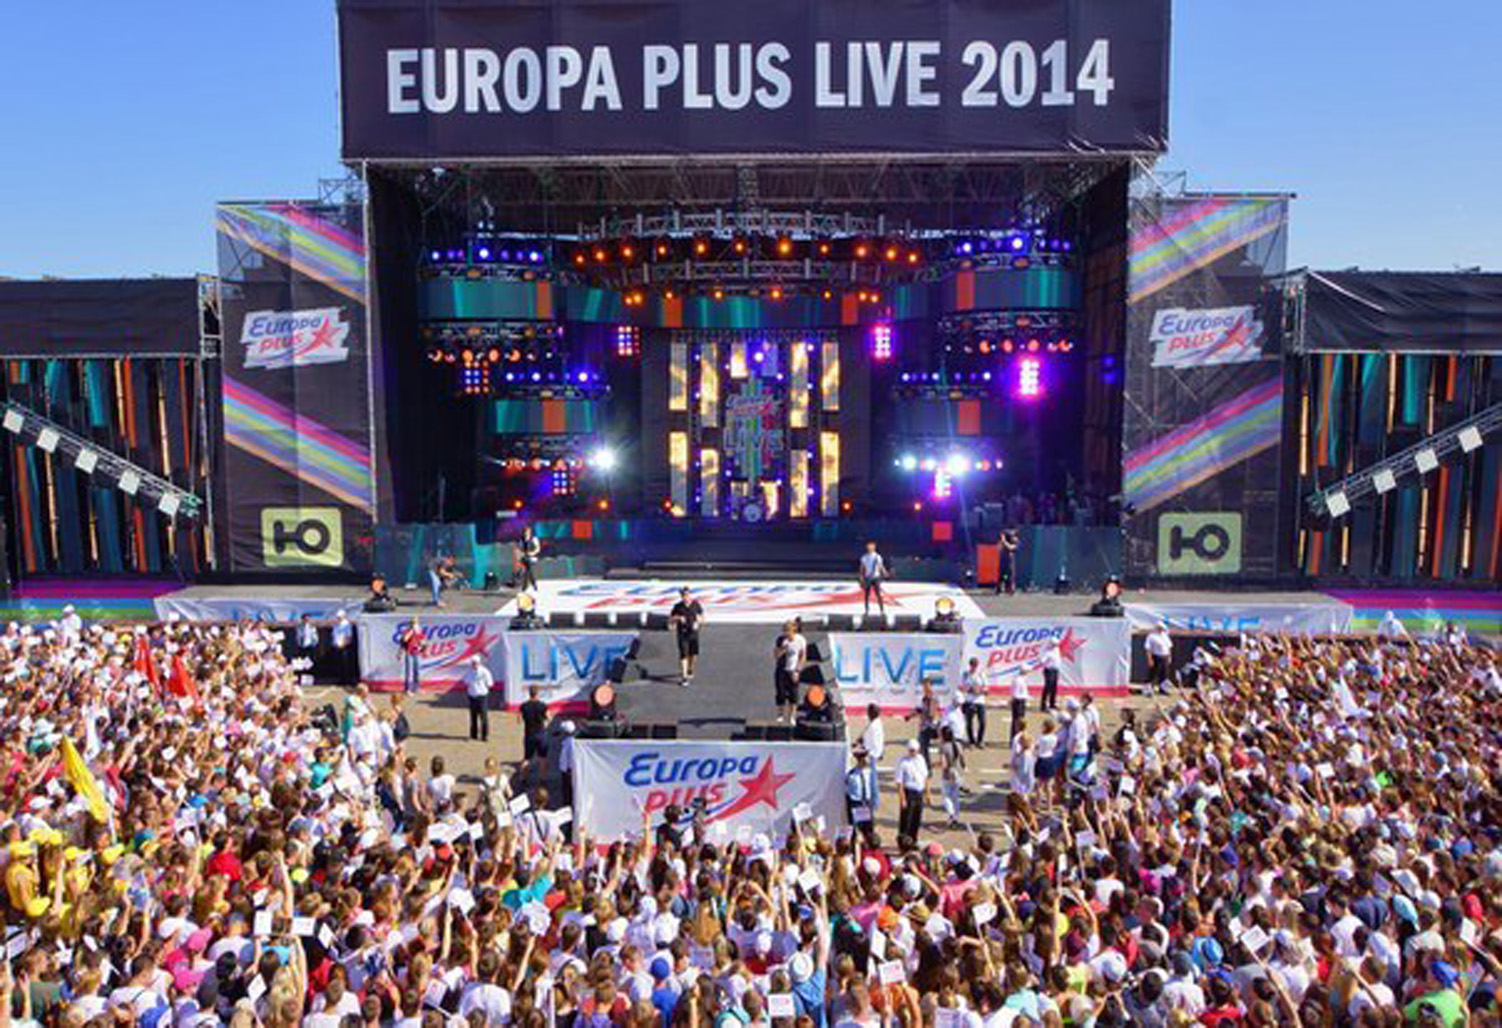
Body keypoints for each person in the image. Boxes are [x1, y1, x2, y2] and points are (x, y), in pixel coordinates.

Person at [844, 744, 879, 847]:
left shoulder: (870, 772)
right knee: (856, 830)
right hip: (856, 803)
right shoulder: (852, 774)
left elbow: (874, 788)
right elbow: (848, 791)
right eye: (861, 758)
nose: (864, 760)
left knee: (868, 829)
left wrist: (875, 803)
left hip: (867, 803)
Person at [669, 585, 704, 686]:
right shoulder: (678, 606)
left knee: (693, 655)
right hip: (682, 634)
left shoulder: (696, 605)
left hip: (693, 634)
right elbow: (671, 619)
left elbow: (702, 618)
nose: (686, 597)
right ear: (681, 596)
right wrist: (678, 618)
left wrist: (698, 622)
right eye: (684, 595)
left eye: (687, 595)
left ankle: (690, 669)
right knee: (683, 654)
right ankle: (684, 677)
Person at [895, 738, 928, 840]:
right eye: (911, 750)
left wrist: (927, 793)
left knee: (916, 818)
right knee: (906, 819)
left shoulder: (921, 759)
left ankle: (913, 839)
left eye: (915, 750)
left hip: (919, 792)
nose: (913, 753)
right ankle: (903, 840)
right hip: (909, 792)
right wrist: (902, 798)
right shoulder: (902, 762)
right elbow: (899, 782)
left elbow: (925, 777)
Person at [774, 618, 806, 722]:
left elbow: (802, 656)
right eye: (784, 631)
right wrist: (783, 649)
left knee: (794, 695)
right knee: (781, 693)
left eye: (788, 631)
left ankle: (792, 716)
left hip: (793, 670)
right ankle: (780, 715)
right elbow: (775, 655)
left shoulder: (800, 640)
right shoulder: (781, 640)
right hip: (781, 670)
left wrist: (798, 670)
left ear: (793, 630)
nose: (786, 633)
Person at [518, 684, 548, 782]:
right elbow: (548, 717)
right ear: (537, 693)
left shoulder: (523, 706)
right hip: (540, 733)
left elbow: (518, 720)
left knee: (527, 758)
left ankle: (523, 778)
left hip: (529, 734)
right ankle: (542, 779)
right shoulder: (542, 705)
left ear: (529, 693)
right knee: (542, 758)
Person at [937, 724, 965, 829]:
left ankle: (951, 814)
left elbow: (943, 764)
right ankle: (956, 817)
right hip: (957, 773)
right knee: (955, 797)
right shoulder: (957, 745)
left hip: (948, 774)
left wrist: (933, 765)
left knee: (947, 796)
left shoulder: (943, 747)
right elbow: (962, 760)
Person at [464, 654, 494, 742]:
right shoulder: (469, 672)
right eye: (473, 663)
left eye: (475, 663)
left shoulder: (485, 672)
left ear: (479, 663)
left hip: (482, 696)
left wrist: (483, 687)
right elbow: (465, 682)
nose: (474, 665)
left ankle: (484, 736)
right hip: (472, 696)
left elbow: (490, 683)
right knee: (473, 716)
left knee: (483, 717)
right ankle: (473, 735)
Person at [959, 656, 987, 748]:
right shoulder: (965, 675)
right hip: (969, 700)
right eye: (973, 665)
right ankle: (971, 740)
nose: (974, 667)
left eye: (976, 665)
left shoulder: (981, 674)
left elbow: (986, 688)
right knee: (969, 722)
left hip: (980, 701)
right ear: (970, 665)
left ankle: (980, 740)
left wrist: (980, 691)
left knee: (982, 722)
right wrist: (969, 689)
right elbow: (961, 687)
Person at [857, 541, 888, 617]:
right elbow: (862, 568)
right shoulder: (864, 557)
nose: (869, 548)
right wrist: (861, 577)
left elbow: (881, 566)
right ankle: (867, 610)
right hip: (868, 577)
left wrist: (884, 572)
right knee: (867, 595)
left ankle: (882, 610)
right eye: (868, 546)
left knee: (878, 594)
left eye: (871, 546)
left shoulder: (877, 556)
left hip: (876, 577)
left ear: (874, 547)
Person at [397, 615, 425, 694]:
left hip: (416, 653)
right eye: (413, 623)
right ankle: (407, 689)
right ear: (410, 624)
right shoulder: (407, 631)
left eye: (415, 623)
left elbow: (422, 641)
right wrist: (411, 631)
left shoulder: (419, 631)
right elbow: (404, 640)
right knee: (408, 671)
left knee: (417, 671)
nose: (414, 624)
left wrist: (422, 645)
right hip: (408, 652)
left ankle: (416, 687)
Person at [1145, 621, 1173, 694]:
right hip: (1156, 656)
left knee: (1164, 674)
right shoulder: (1151, 636)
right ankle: (1149, 690)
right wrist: (1150, 659)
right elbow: (1148, 649)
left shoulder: (1165, 636)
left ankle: (1163, 689)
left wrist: (1170, 657)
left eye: (1162, 628)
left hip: (1165, 656)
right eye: (1159, 628)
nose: (1161, 629)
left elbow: (1169, 647)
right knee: (1153, 674)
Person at [330, 609, 356, 685]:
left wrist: (343, 644)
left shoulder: (347, 625)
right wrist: (335, 644)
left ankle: (348, 680)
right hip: (337, 647)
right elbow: (334, 636)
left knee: (346, 664)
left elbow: (349, 637)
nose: (338, 618)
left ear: (343, 616)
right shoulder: (336, 625)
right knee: (339, 664)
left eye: (340, 617)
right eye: (337, 617)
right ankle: (341, 679)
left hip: (345, 647)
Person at [1039, 635, 1061, 711]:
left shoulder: (1056, 649)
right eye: (1054, 644)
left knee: (1054, 687)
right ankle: (1043, 705)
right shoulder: (1047, 651)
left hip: (1055, 669)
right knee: (1048, 687)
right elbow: (1042, 661)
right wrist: (1045, 660)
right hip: (1049, 670)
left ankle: (1052, 703)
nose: (1055, 646)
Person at [993, 528, 1019, 596]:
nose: (1014, 538)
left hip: (1010, 563)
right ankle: (999, 589)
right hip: (1003, 562)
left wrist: (1004, 541)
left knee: (1010, 576)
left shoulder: (1015, 543)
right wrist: (1002, 541)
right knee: (1002, 576)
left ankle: (1010, 589)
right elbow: (998, 548)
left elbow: (1010, 547)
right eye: (1012, 537)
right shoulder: (1003, 543)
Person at [516, 525, 541, 591]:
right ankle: (532, 584)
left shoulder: (534, 539)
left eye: (527, 532)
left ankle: (526, 585)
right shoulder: (521, 540)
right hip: (525, 557)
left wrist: (532, 553)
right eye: (524, 532)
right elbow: (519, 549)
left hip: (532, 557)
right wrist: (521, 555)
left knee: (528, 568)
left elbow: (537, 549)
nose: (525, 534)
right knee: (527, 569)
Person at [1009, 665, 1030, 740]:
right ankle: (1015, 737)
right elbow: (1015, 693)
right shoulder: (1018, 680)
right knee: (1017, 720)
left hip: (1020, 701)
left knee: (1019, 720)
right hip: (1018, 701)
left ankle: (1018, 736)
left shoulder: (1021, 679)